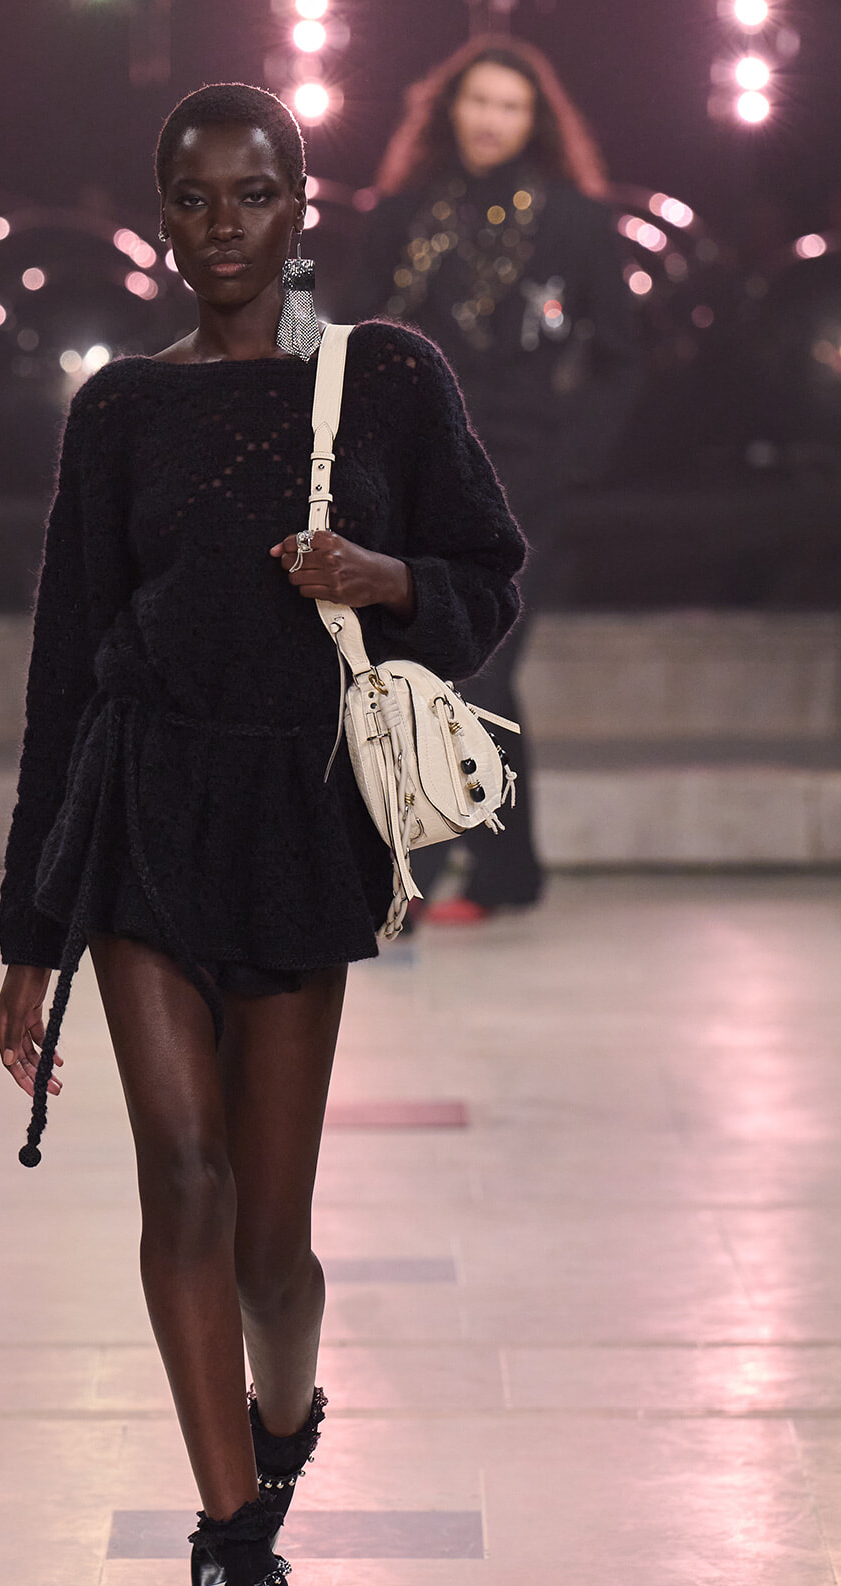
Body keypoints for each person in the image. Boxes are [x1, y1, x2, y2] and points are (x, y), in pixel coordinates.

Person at [0, 83, 523, 1586]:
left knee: (276, 1244)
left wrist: (384, 583)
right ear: (161, 217)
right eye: (192, 197)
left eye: (252, 193)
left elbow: (489, 577)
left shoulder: (390, 379)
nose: (220, 222)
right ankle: (250, 1566)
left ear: (304, 205)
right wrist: (29, 931)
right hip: (149, 809)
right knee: (186, 1173)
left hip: (298, 818)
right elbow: (64, 665)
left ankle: (281, 1420)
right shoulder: (117, 413)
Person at [346, 36, 641, 922]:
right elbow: (353, 331)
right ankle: (477, 873)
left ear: (535, 120)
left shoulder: (576, 222)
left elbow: (623, 359)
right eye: (478, 101)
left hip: (522, 480)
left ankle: (455, 875)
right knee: (432, 668)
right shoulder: (400, 214)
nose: (491, 120)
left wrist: (570, 459)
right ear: (448, 109)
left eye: (510, 106)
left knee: (478, 663)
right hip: (418, 472)